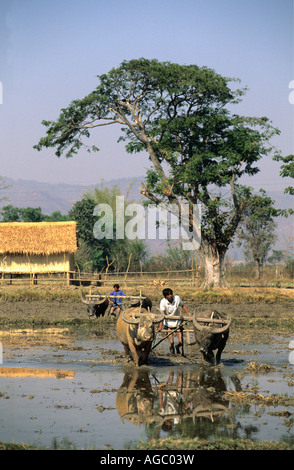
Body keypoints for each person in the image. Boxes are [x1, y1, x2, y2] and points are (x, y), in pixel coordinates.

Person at [158, 288, 191, 355]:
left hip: (177, 322)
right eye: (168, 295)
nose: (170, 296)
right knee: (171, 342)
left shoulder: (177, 298)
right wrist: (160, 327)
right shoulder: (163, 302)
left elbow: (182, 305)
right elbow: (162, 315)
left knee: (181, 342)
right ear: (165, 297)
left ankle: (177, 347)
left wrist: (188, 314)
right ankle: (172, 353)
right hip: (168, 323)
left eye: (171, 294)